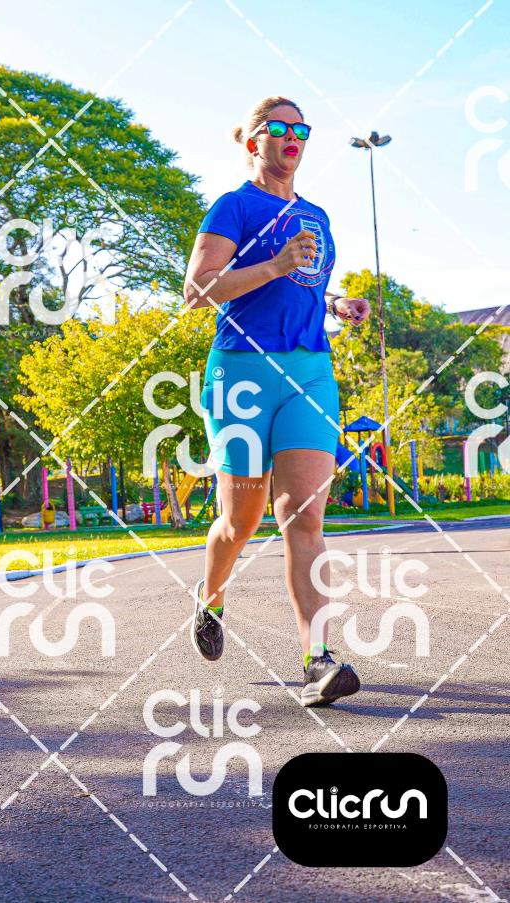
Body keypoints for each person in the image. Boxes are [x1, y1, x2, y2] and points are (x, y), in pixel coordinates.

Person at [183, 96, 370, 706]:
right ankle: (210, 599)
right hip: (241, 373)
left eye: (301, 129)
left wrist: (337, 304)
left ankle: (318, 660)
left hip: (310, 371)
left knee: (303, 516)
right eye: (280, 127)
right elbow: (197, 291)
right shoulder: (234, 206)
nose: (293, 136)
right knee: (241, 521)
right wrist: (274, 264)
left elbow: (305, 285)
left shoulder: (316, 215)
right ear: (253, 141)